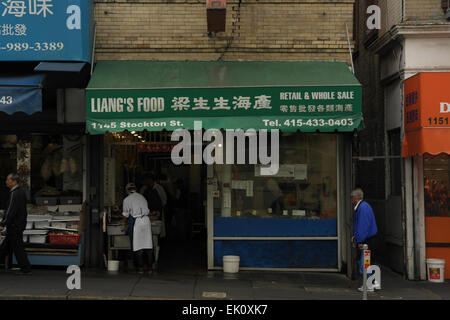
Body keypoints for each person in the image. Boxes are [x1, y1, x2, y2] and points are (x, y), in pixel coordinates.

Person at [0, 173, 32, 275]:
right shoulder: (20, 192)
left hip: (14, 225)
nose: (6, 182)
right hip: (18, 224)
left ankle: (26, 268)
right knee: (6, 246)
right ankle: (25, 268)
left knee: (17, 247)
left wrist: (3, 223)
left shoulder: (15, 193)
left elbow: (11, 210)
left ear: (14, 181)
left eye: (8, 180)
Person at [122, 183, 154, 275]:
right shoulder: (142, 197)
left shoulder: (127, 199)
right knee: (148, 245)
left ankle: (140, 268)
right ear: (135, 189)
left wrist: (123, 223)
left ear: (127, 190)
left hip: (138, 222)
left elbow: (125, 214)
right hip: (146, 221)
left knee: (138, 245)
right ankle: (150, 269)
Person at [351, 188, 379, 292]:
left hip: (367, 240)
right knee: (367, 262)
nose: (351, 200)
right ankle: (370, 284)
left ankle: (368, 285)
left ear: (355, 198)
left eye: (352, 198)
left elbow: (363, 226)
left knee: (365, 263)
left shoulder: (362, 208)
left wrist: (360, 241)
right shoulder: (364, 207)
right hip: (369, 238)